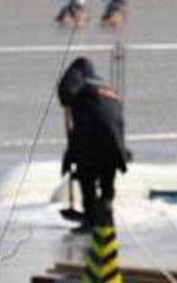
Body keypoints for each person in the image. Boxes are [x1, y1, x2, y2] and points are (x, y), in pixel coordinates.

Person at [57, 57, 130, 233]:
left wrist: (71, 155)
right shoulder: (107, 87)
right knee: (107, 177)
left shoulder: (76, 77)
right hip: (115, 142)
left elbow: (65, 95)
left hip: (91, 138)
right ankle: (106, 214)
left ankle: (90, 220)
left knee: (86, 176)